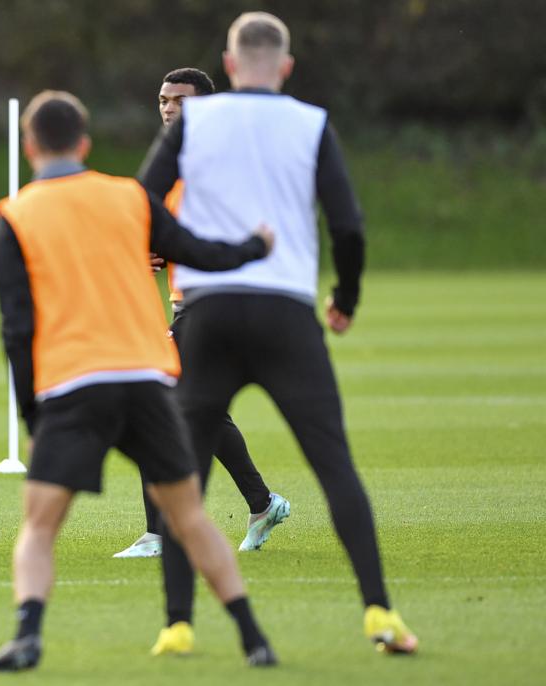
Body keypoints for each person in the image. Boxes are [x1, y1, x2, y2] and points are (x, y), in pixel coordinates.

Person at [139, 12, 418, 654]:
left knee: (185, 474)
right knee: (334, 465)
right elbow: (348, 226)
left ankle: (177, 625)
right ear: (285, 69)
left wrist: (182, 248)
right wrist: (344, 298)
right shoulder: (311, 123)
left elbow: (142, 202)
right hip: (288, 313)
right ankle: (379, 612)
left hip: (207, 310)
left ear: (230, 68)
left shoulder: (196, 124)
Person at [0, 90, 278, 672]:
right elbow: (196, 252)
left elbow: (16, 327)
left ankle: (28, 636)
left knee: (39, 526)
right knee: (189, 517)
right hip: (146, 377)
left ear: (30, 145)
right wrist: (253, 247)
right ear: (85, 143)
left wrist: (32, 415)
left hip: (73, 382)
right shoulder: (130, 196)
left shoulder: (15, 214)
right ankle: (252, 636)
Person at [115, 66, 290, 562]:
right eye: (163, 99)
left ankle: (160, 531)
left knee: (153, 399)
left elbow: (232, 231)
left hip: (218, 301)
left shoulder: (221, 163)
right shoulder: (171, 163)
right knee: (199, 407)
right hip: (189, 303)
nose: (168, 107)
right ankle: (262, 503)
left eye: (180, 100)